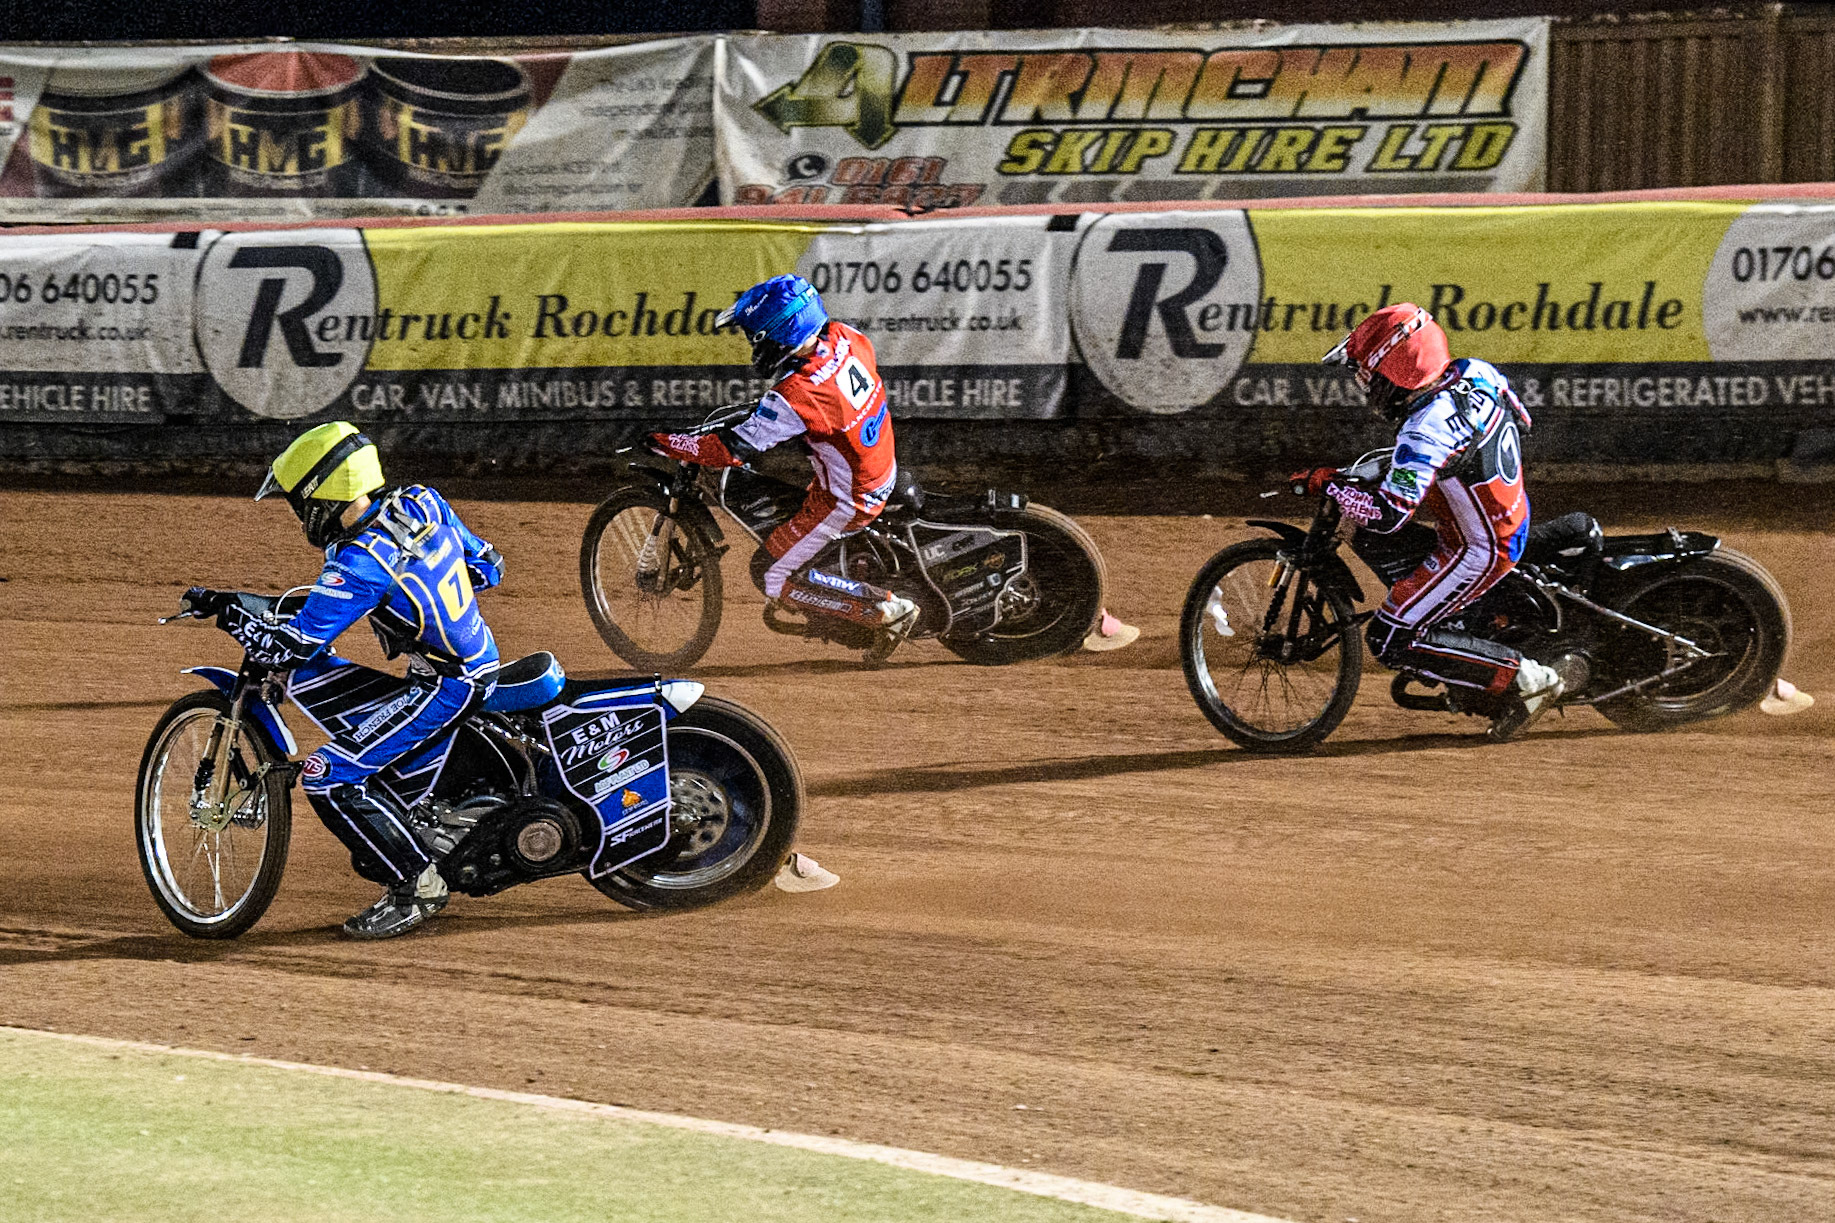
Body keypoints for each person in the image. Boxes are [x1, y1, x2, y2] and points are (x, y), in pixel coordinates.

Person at [196, 421, 503, 938]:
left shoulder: (360, 563)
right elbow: (488, 566)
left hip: (446, 685)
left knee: (325, 775)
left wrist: (226, 611)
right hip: (476, 662)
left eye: (298, 504)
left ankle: (416, 886)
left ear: (322, 495)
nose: (299, 518)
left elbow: (289, 646)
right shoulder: (422, 502)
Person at [1311, 302, 1565, 742]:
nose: (1365, 388)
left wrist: (1327, 485)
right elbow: (1522, 419)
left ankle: (1528, 679)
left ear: (1394, 370)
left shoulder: (1424, 430)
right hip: (1508, 513)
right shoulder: (1475, 371)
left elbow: (1388, 515)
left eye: (1367, 376)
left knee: (1389, 638)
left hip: (1478, 550)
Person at [645, 274, 917, 662]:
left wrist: (665, 442)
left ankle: (882, 609)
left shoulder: (798, 393)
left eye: (753, 334)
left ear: (774, 335)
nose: (751, 343)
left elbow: (729, 451)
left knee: (771, 574)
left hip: (848, 500)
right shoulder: (846, 337)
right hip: (877, 465)